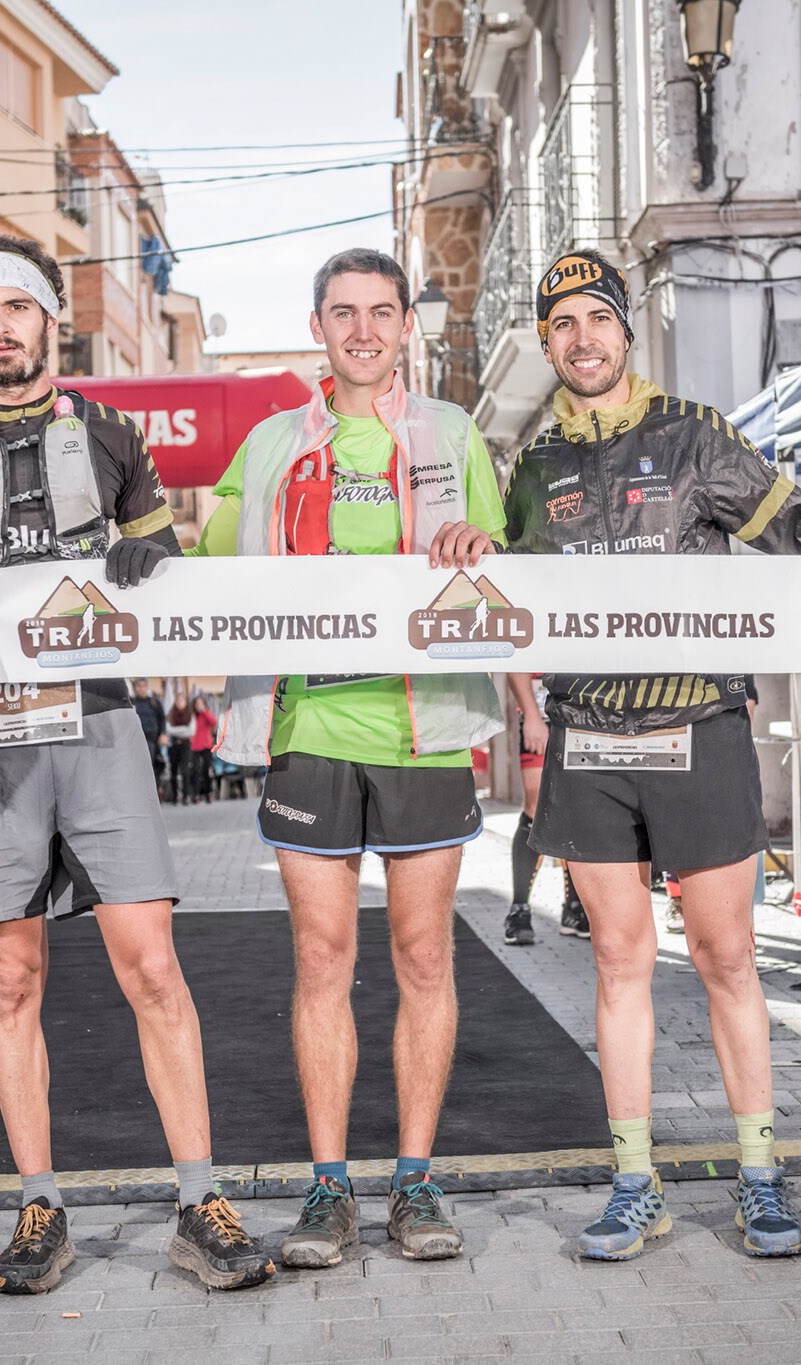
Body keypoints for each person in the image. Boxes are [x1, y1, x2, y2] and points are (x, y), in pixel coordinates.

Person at [482, 247, 801, 1263]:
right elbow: (509, 601)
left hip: (697, 726)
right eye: (561, 326)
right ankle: (633, 1184)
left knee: (727, 959)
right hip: (590, 740)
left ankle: (758, 1177)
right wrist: (473, 572)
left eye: (596, 320)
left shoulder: (692, 436)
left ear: (624, 330)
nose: (582, 340)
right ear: (546, 344)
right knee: (617, 963)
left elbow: (798, 525)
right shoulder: (528, 470)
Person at [0, 233, 272, 1295]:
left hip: (96, 728)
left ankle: (199, 1202)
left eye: (17, 308)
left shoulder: (111, 434)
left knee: (152, 968)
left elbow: (168, 584)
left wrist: (148, 564)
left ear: (51, 321)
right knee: (10, 977)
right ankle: (39, 1205)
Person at [130, 247, 504, 1267]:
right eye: (343, 313)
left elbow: (499, 561)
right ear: (318, 328)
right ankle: (329, 1189)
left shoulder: (451, 434)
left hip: (424, 731)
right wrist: (130, 552)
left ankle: (415, 1186)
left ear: (402, 327)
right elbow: (197, 573)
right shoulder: (266, 447)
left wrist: (476, 543)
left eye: (381, 312)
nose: (363, 331)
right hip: (306, 735)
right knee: (320, 963)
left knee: (424, 957)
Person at [501, 674, 587, 945]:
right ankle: (519, 909)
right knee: (536, 803)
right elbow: (516, 664)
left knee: (576, 807)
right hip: (541, 707)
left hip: (583, 709)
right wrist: (531, 715)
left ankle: (574, 908)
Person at [131, 678, 168, 797]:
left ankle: (152, 794)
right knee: (137, 767)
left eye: (143, 686)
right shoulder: (132, 702)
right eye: (139, 686)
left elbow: (162, 719)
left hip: (152, 739)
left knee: (150, 766)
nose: (141, 689)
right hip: (135, 739)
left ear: (147, 687)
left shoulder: (154, 702)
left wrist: (163, 734)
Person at [164, 695, 195, 804]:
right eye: (178, 700)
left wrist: (175, 730)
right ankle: (175, 796)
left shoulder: (190, 715)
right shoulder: (170, 714)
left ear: (185, 702)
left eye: (182, 700)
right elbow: (168, 729)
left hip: (185, 746)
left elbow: (191, 731)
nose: (179, 702)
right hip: (173, 745)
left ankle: (186, 796)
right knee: (173, 770)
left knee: (185, 770)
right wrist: (183, 730)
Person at [189, 694, 218, 803]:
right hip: (195, 746)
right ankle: (196, 794)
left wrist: (204, 711)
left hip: (206, 745)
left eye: (201, 704)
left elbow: (213, 722)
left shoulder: (206, 714)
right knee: (196, 770)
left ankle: (208, 793)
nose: (199, 706)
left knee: (207, 770)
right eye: (197, 704)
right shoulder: (192, 716)